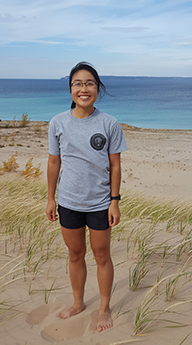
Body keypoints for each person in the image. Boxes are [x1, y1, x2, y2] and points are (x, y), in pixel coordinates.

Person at [45, 62, 127, 332]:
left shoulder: (109, 123)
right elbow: (54, 163)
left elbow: (115, 165)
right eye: (78, 83)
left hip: (101, 203)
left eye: (90, 83)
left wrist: (114, 200)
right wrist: (50, 198)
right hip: (68, 202)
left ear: (98, 88)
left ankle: (104, 308)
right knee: (75, 254)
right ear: (70, 89)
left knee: (102, 255)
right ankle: (78, 303)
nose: (84, 88)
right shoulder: (58, 122)